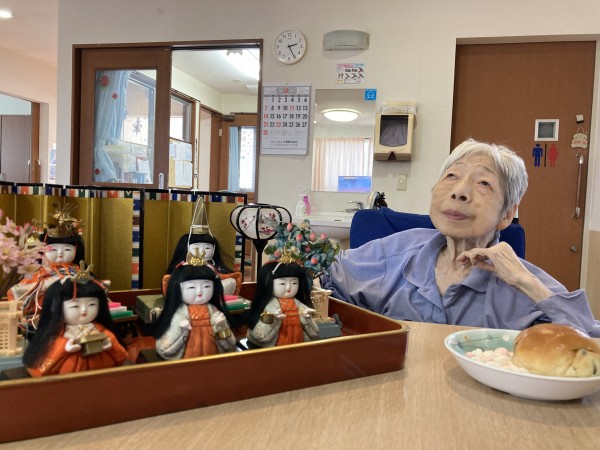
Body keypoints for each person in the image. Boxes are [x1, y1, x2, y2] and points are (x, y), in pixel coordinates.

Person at [321, 139, 600, 337]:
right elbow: (320, 278)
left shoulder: (521, 284)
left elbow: (588, 346)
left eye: (484, 183)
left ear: (507, 214)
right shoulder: (394, 250)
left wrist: (527, 283)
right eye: (452, 176)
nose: (460, 192)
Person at [22, 271, 128, 377]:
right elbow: (40, 370)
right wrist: (64, 347)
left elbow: (122, 357)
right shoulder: (55, 333)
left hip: (102, 373)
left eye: (92, 304)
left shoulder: (100, 329)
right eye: (75, 306)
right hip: (69, 378)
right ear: (56, 307)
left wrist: (109, 343)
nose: (84, 310)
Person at [154, 263, 237, 360]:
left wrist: (221, 325)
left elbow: (231, 344)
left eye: (206, 286)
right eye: (191, 287)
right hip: (188, 353)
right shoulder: (180, 314)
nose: (199, 292)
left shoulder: (214, 311)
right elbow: (166, 346)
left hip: (211, 350)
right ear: (178, 289)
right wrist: (182, 329)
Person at [246, 261, 319, 348]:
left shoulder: (299, 305)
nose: (288, 287)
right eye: (282, 283)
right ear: (269, 284)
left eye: (294, 283)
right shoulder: (270, 305)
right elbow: (259, 336)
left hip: (298, 339)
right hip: (276, 344)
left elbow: (315, 332)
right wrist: (273, 318)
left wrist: (307, 317)